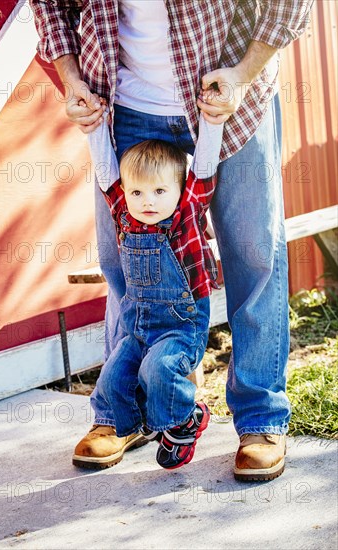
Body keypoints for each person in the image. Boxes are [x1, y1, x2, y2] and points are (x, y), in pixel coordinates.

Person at [30, 0, 314, 481]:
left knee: (253, 255)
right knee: (125, 264)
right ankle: (127, 413)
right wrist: (73, 79)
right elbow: (49, 6)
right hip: (122, 104)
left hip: (228, 94)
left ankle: (261, 417)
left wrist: (244, 74)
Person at [72, 109, 223, 469]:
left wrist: (213, 124)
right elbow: (107, 174)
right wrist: (94, 131)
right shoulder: (125, 214)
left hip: (179, 327)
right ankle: (139, 425)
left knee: (158, 370)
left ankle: (185, 419)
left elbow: (203, 168)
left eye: (159, 191)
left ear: (178, 188)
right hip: (139, 329)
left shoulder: (186, 212)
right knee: (111, 378)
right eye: (137, 191)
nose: (148, 202)